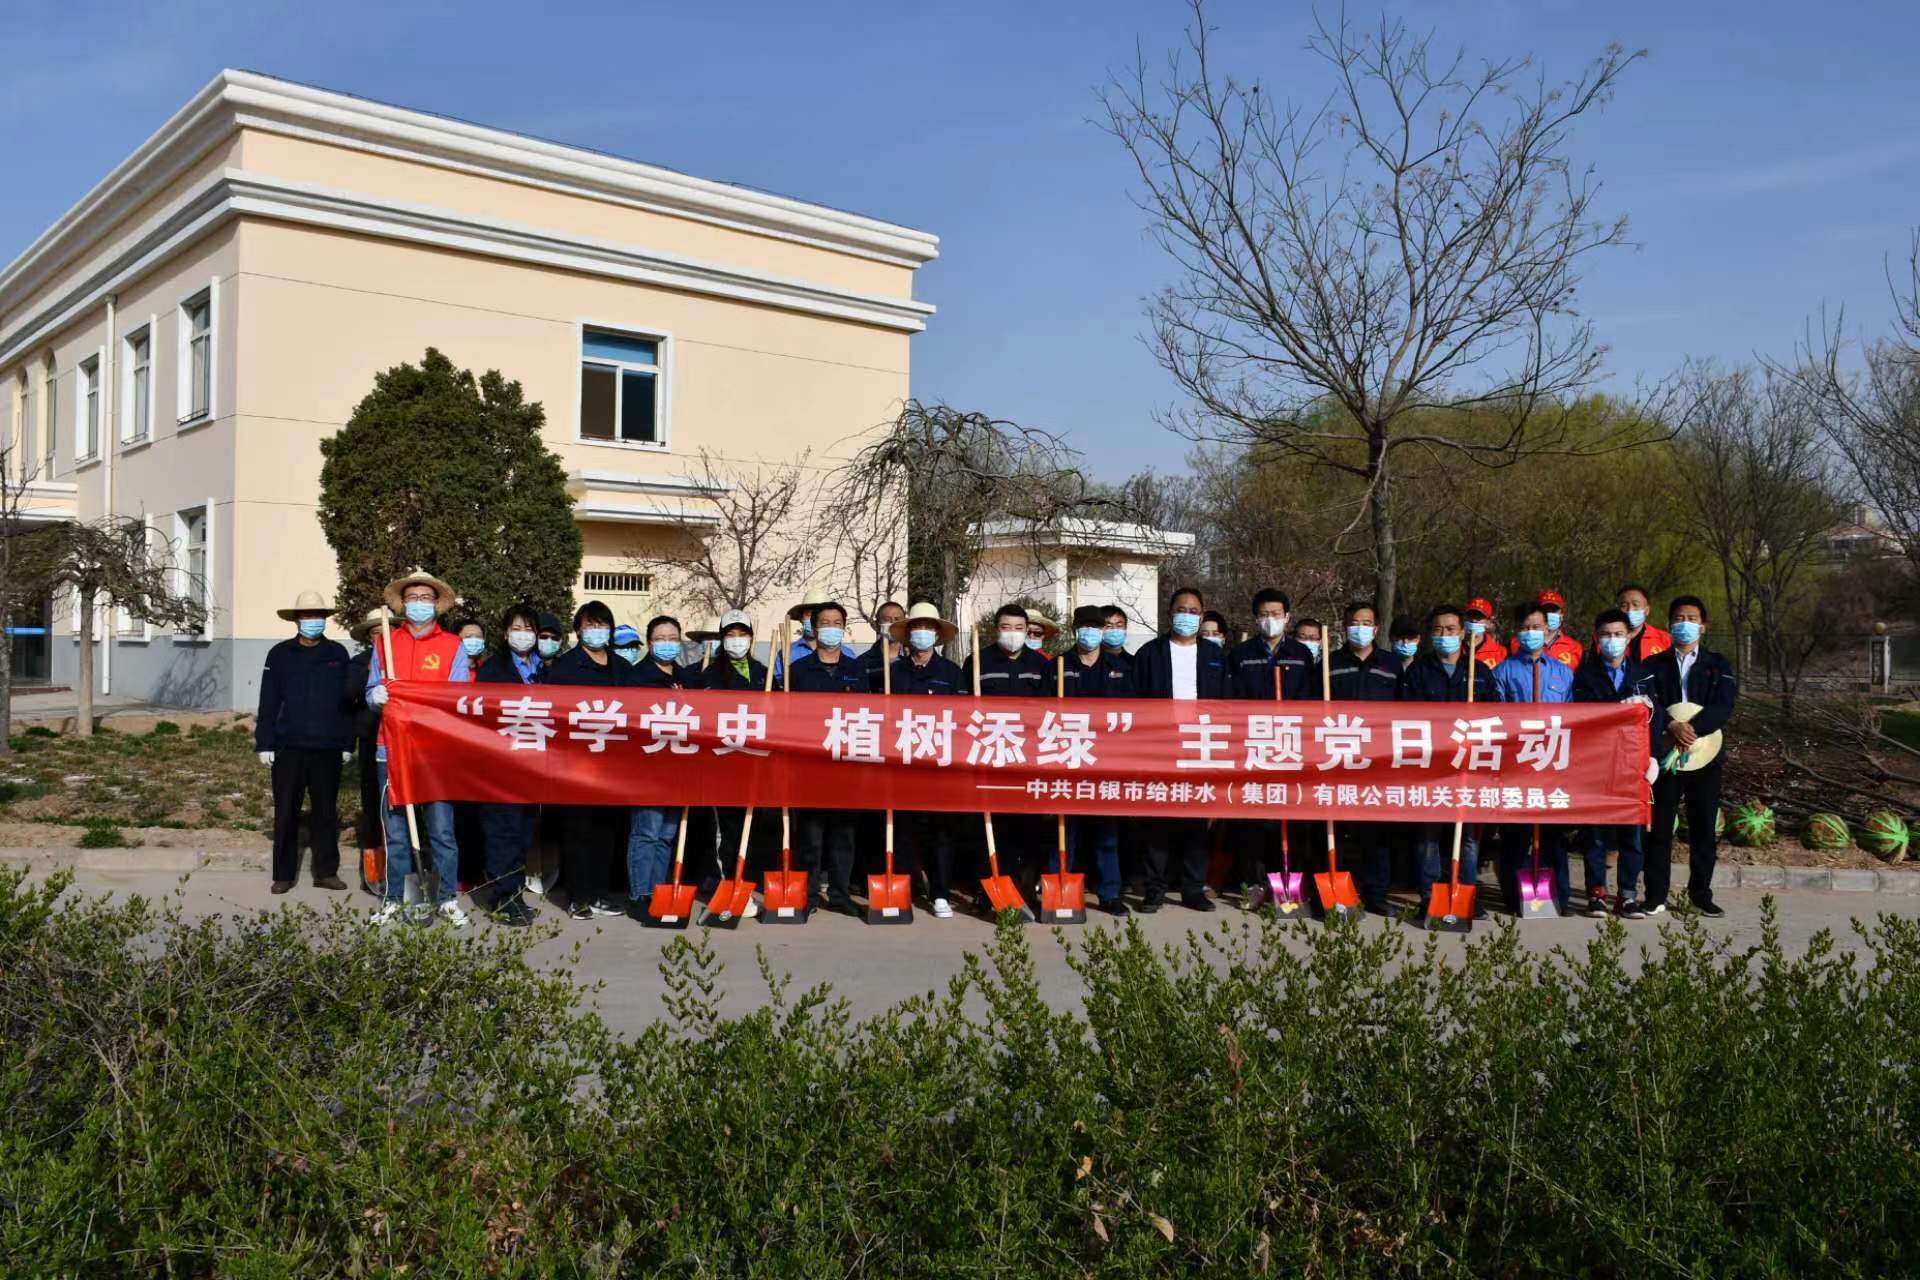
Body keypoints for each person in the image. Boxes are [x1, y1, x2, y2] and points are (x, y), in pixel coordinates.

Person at [365, 568, 471, 928]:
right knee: (395, 832)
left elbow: (457, 698)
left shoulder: (452, 645)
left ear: (437, 604)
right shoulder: (386, 643)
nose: (419, 603)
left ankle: (447, 898)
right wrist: (376, 696)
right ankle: (395, 898)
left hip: (435, 753)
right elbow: (370, 691)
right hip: (391, 750)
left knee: (441, 831)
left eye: (426, 598)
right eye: (413, 598)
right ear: (403, 604)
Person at [1131, 587, 1230, 912]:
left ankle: (1192, 888)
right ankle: (1154, 889)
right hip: (1160, 745)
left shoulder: (1215, 655)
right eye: (1181, 610)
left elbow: (1228, 703)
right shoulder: (1149, 653)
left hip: (1202, 744)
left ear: (1201, 616)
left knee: (1195, 822)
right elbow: (1134, 701)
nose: (1186, 616)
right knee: (1157, 822)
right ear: (1169, 613)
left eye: (1193, 611)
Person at [1399, 604, 1502, 914]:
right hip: (1430, 766)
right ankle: (1429, 895)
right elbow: (1407, 717)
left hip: (1470, 766)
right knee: (1428, 835)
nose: (1444, 634)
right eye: (1438, 629)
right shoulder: (1418, 672)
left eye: (1450, 629)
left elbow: (1495, 717)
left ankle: (1465, 893)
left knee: (1468, 837)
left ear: (1462, 633)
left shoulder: (1479, 673)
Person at [1640, 596, 1738, 918]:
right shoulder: (1653, 665)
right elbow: (1646, 701)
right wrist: (1670, 725)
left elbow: (1724, 705)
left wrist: (1692, 730)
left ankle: (1700, 895)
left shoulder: (1718, 665)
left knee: (1703, 828)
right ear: (1669, 625)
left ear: (1703, 626)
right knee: (1659, 828)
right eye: (1679, 618)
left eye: (1692, 618)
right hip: (1665, 753)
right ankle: (1655, 895)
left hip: (1705, 754)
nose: (1685, 624)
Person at [538, 600, 634, 920]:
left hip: (613, 763)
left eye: (602, 624)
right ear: (578, 630)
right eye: (590, 625)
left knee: (607, 832)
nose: (597, 631)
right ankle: (577, 897)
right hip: (576, 762)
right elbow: (553, 714)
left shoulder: (622, 668)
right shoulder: (565, 668)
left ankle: (599, 894)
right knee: (577, 831)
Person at [256, 589, 354, 895]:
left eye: (318, 616)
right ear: (297, 619)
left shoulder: (337, 654)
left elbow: (347, 703)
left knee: (325, 811)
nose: (313, 620)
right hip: (289, 746)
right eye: (307, 615)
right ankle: (283, 875)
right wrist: (265, 742)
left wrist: (347, 743)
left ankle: (326, 872)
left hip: (327, 747)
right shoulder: (279, 654)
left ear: (325, 619)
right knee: (286, 811)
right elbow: (268, 700)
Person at [1227, 589, 1315, 904]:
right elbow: (1231, 699)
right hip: (1253, 745)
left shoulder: (1301, 654)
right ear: (1255, 618)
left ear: (1287, 617)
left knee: (1291, 816)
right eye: (1264, 614)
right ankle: (1253, 881)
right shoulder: (1241, 654)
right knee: (1252, 816)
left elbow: (1310, 698)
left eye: (1276, 614)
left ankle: (1291, 881)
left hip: (1291, 745)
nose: (1270, 619)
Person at [784, 600, 870, 914]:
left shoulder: (857, 670)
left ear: (844, 629)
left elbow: (869, 715)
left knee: (843, 834)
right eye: (825, 623)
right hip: (810, 765)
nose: (831, 629)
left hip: (847, 764)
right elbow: (787, 716)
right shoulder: (798, 671)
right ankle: (807, 896)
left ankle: (839, 893)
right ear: (814, 628)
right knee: (810, 834)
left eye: (837, 623)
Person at [1491, 602, 1577, 914]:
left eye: (1537, 627)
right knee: (1515, 837)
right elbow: (1497, 718)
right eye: (1526, 628)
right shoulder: (1503, 672)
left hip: (1552, 766)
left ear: (1547, 629)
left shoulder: (1563, 673)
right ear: (1517, 632)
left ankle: (1558, 899)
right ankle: (1515, 900)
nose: (1532, 633)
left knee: (1553, 838)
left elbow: (1572, 720)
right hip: (1516, 766)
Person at [973, 602, 1056, 912]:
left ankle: (1024, 891)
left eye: (1019, 628)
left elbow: (1049, 711)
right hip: (991, 756)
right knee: (992, 829)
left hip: (1028, 760)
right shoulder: (978, 660)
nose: (1013, 633)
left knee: (1029, 830)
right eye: (1006, 627)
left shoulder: (1041, 664)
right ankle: (989, 893)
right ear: (996, 630)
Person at [886, 603, 967, 917]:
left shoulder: (952, 673)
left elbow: (963, 720)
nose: (922, 633)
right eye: (916, 627)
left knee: (941, 833)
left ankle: (940, 893)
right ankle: (904, 889)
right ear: (908, 634)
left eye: (928, 628)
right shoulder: (894, 672)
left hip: (939, 766)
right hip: (903, 764)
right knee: (902, 830)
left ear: (937, 634)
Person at [1573, 608, 1653, 919]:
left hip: (1632, 764)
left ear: (1629, 636)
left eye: (1618, 634)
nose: (1612, 640)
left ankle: (1627, 895)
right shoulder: (1584, 675)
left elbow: (1656, 717)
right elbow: (1581, 714)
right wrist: (1618, 708)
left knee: (1632, 833)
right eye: (1606, 635)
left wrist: (1653, 757)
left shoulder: (1643, 675)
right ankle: (1596, 893)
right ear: (1596, 637)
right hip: (1596, 762)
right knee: (1594, 833)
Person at [470, 603, 545, 926]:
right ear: (504, 634)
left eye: (529, 629)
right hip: (500, 765)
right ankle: (502, 899)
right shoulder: (492, 670)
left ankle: (515, 892)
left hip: (533, 765)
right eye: (516, 629)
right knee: (503, 833)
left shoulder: (544, 669)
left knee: (523, 835)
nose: (523, 635)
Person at [1327, 600, 1403, 915]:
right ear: (1345, 626)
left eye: (1366, 623)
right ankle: (1340, 892)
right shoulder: (1330, 663)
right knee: (1336, 830)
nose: (1360, 628)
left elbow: (1406, 710)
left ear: (1376, 628)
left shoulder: (1391, 664)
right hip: (1339, 757)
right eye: (1354, 622)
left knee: (1377, 831)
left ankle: (1376, 894)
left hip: (1379, 760)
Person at [1061, 603, 1133, 915]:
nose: (1089, 632)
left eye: (1095, 626)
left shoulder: (1120, 668)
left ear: (1103, 631)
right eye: (1083, 627)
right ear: (1074, 630)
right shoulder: (1059, 666)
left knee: (1106, 831)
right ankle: (1062, 888)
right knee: (1065, 829)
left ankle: (1109, 893)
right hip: (1067, 757)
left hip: (1107, 760)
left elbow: (1135, 713)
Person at [625, 614, 693, 915]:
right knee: (647, 831)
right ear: (649, 643)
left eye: (672, 639)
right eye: (660, 639)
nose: (667, 644)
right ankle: (640, 894)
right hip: (648, 767)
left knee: (666, 834)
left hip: (679, 766)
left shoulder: (686, 677)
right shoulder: (637, 678)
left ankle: (659, 892)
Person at [704, 610, 774, 907]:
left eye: (741, 634)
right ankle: (731, 882)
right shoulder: (710, 675)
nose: (736, 640)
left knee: (757, 827)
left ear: (751, 638)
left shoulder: (763, 673)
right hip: (726, 762)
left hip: (758, 761)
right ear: (722, 639)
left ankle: (749, 882)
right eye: (730, 635)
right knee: (730, 829)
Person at [345, 608, 390, 894]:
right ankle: (373, 870)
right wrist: (372, 683)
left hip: (402, 742)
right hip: (372, 741)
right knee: (373, 804)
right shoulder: (360, 663)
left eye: (387, 632)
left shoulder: (406, 660)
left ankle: (404, 866)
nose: (382, 637)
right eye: (376, 633)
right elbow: (349, 693)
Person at [1616, 583, 1672, 663]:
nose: (1630, 610)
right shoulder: (1605, 638)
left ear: (1647, 610)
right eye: (1624, 606)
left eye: (1635, 605)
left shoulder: (1664, 639)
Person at [860, 600, 908, 691]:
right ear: (878, 625)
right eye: (887, 619)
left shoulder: (914, 660)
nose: (893, 623)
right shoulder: (862, 663)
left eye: (897, 619)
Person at [1535, 589, 1585, 668]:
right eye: (1545, 610)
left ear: (1561, 615)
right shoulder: (1517, 644)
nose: (1549, 614)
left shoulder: (1575, 648)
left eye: (1553, 610)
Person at [1464, 597, 1508, 668]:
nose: (1474, 620)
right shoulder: (1454, 649)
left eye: (1479, 616)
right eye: (1470, 615)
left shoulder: (1501, 653)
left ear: (1489, 623)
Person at [1100, 604, 1134, 672]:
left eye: (1119, 625)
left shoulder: (1134, 662)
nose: (1114, 629)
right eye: (1109, 626)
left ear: (1125, 628)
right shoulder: (1088, 661)